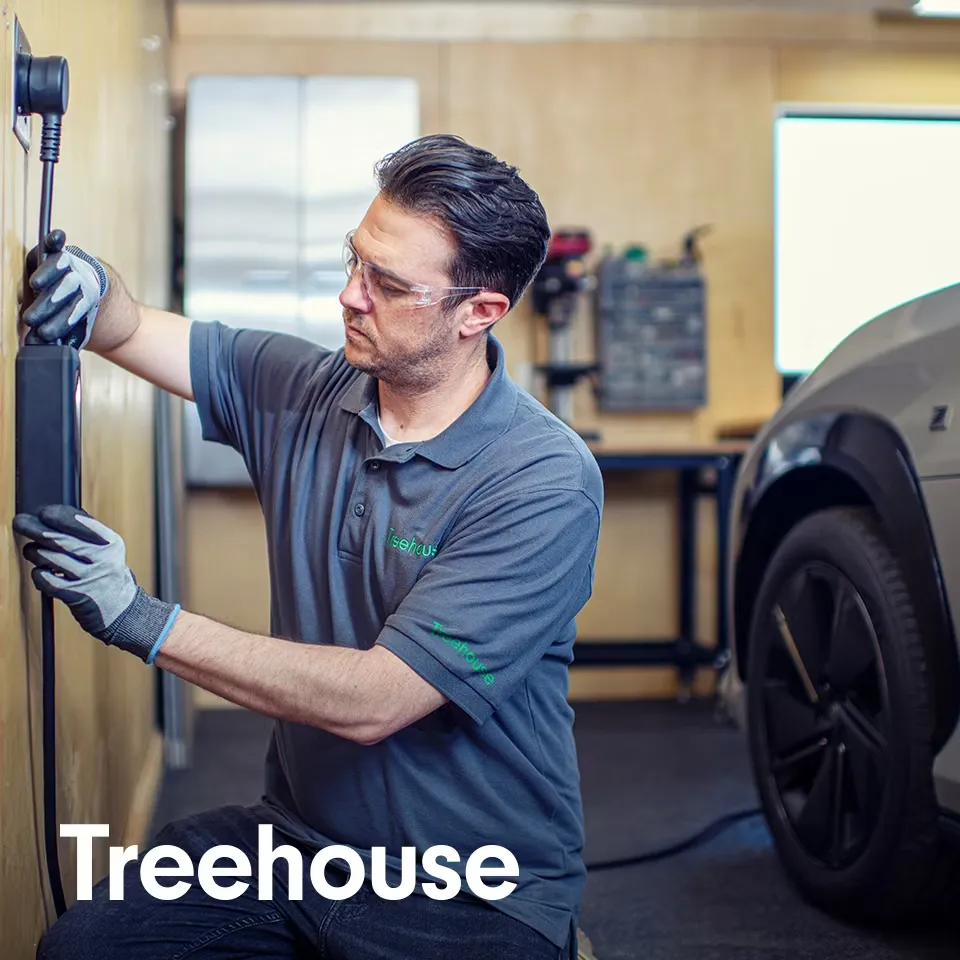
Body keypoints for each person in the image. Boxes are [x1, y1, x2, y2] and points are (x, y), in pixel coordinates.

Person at [15, 134, 604, 960]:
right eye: (355, 261)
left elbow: (377, 702)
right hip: (297, 848)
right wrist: (89, 283)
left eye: (388, 284)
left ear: (480, 312)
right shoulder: (302, 389)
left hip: (471, 885)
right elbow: (132, 326)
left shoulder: (540, 479)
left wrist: (136, 616)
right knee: (83, 952)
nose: (349, 296)